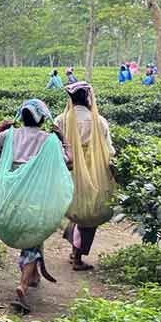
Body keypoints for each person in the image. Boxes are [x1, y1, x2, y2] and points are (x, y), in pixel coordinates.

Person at [0, 99, 71, 312]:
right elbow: (70, 160)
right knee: (33, 236)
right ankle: (22, 283)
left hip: (12, 195)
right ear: (42, 119)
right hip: (37, 197)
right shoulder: (49, 140)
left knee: (29, 234)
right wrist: (63, 138)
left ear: (21, 117)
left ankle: (34, 275)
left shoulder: (10, 135)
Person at [55, 81, 116, 271]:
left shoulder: (60, 120)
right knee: (90, 210)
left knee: (74, 207)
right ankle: (78, 256)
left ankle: (75, 246)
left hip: (68, 169)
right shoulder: (99, 121)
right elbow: (109, 150)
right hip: (93, 171)